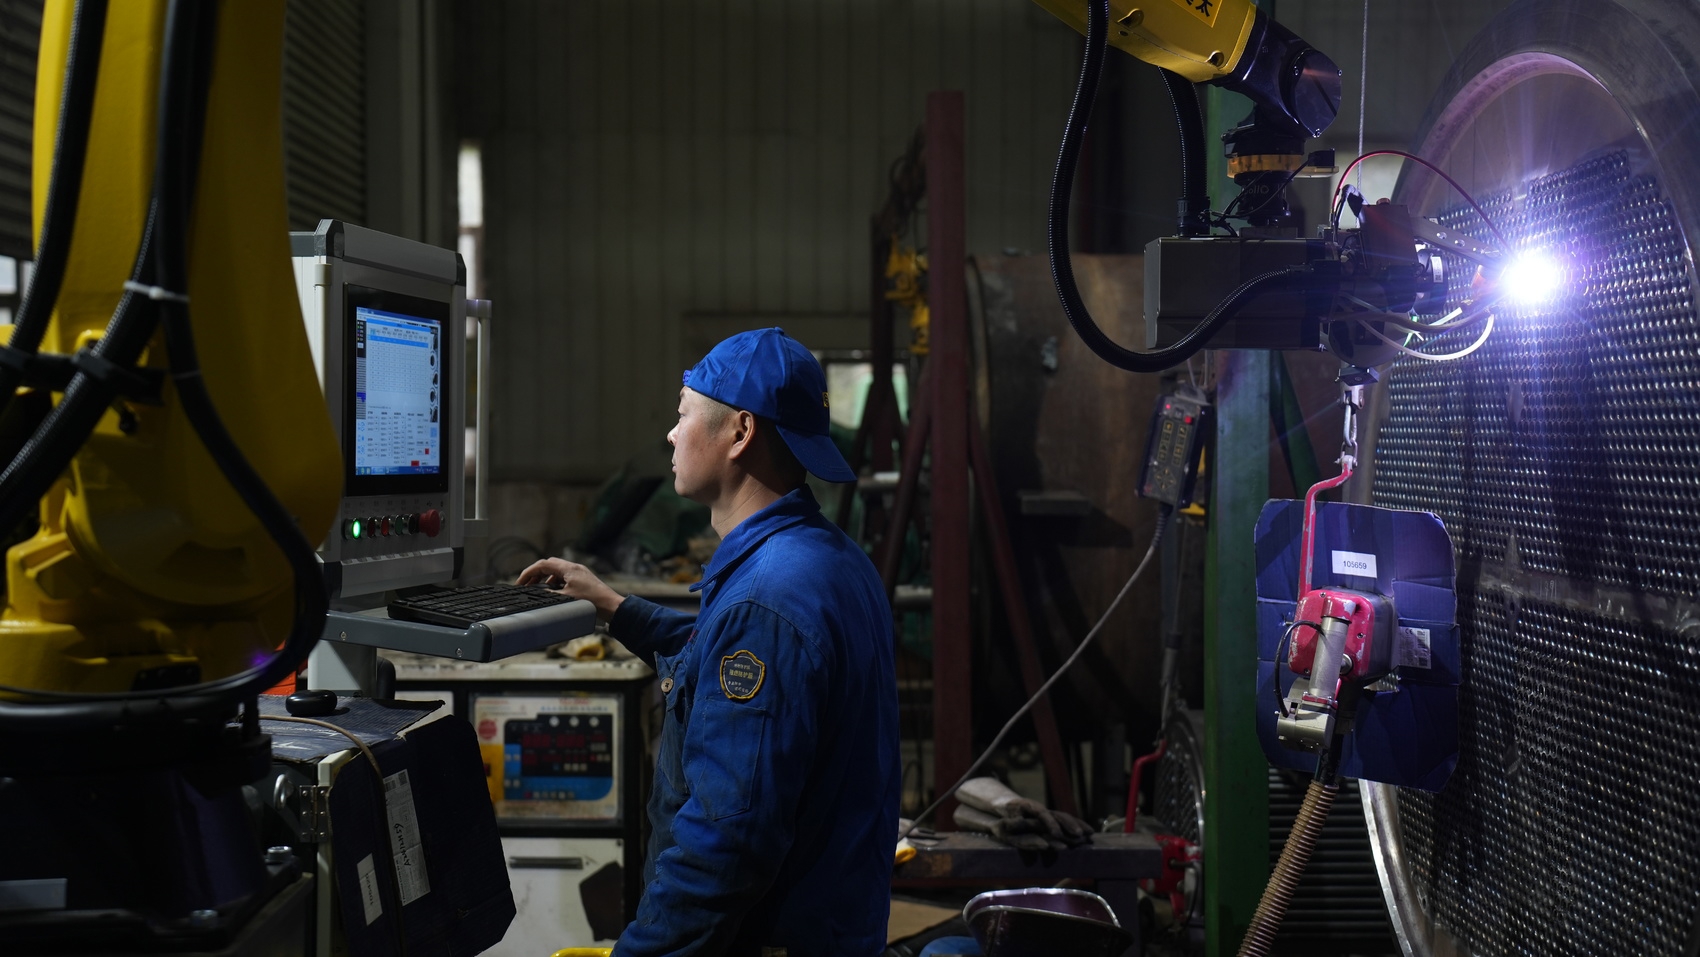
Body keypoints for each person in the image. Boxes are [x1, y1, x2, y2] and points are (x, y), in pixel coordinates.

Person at [519, 328, 900, 957]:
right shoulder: (827, 557)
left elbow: (726, 845)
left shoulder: (766, 601)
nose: (671, 435)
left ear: (741, 432)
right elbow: (721, 656)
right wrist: (616, 608)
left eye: (683, 414)